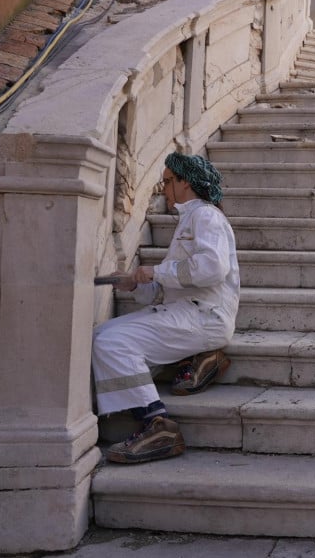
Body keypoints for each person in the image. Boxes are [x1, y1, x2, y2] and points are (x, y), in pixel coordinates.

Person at [92, 151, 240, 464]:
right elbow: (173, 284)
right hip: (188, 312)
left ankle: (156, 425)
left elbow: (213, 268)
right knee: (101, 334)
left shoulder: (206, 216)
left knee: (112, 342)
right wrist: (136, 283)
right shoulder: (189, 220)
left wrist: (157, 271)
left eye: (169, 182)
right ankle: (200, 359)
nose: (165, 189)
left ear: (187, 183)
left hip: (203, 315)